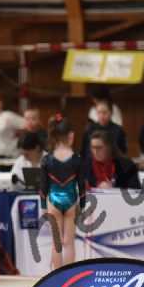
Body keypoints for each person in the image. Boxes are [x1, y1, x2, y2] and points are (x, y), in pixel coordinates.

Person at [39, 115, 84, 270]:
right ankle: (69, 276)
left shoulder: (47, 159)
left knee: (56, 243)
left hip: (53, 200)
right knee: (69, 243)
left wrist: (43, 205)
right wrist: (82, 204)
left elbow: (43, 186)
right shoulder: (77, 159)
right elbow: (81, 185)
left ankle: (57, 276)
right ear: (70, 135)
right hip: (71, 200)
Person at [81, 98, 127, 170]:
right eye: (99, 112)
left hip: (112, 167)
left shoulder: (118, 130)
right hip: (91, 167)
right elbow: (84, 151)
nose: (101, 115)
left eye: (104, 112)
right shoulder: (89, 129)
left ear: (111, 113)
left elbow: (123, 152)